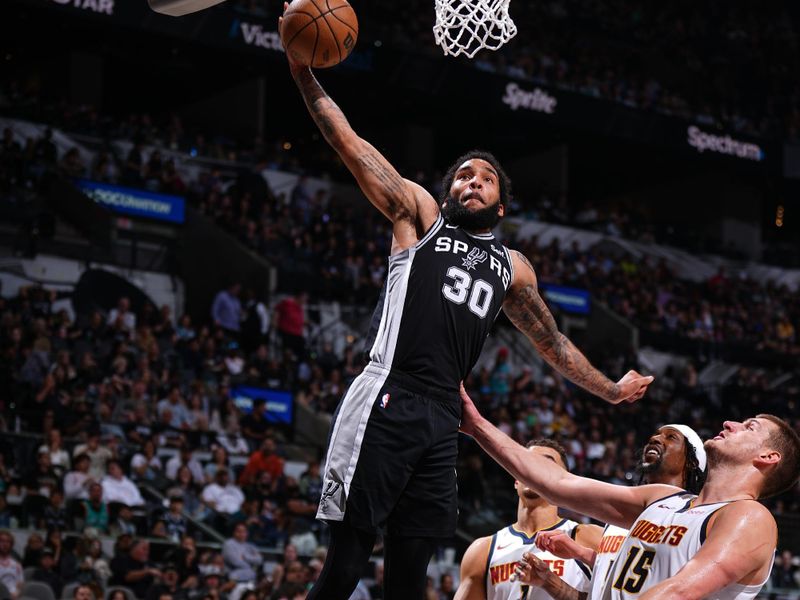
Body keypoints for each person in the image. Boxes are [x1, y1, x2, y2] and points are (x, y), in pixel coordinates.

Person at [278, 7, 653, 598]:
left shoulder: (512, 268)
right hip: (387, 392)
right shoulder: (419, 215)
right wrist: (302, 71)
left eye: (483, 178)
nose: (469, 182)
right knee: (346, 562)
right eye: (462, 175)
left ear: (501, 205)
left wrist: (610, 389)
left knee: (411, 574)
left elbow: (551, 343)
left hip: (444, 417)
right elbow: (347, 142)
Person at [457, 387, 800, 599]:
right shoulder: (663, 499)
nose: (730, 423)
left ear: (768, 457)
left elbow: (679, 593)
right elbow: (557, 485)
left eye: (749, 427)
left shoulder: (749, 517)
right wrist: (477, 426)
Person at [513, 424, 707, 599]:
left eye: (670, 437)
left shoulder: (693, 517)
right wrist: (553, 577)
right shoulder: (614, 522)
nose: (656, 439)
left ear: (691, 461)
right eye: (655, 435)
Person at [454, 440, 599, 600]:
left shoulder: (589, 537)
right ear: (516, 479)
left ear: (564, 483)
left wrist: (553, 584)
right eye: (528, 463)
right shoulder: (482, 551)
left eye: (546, 464)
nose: (534, 469)